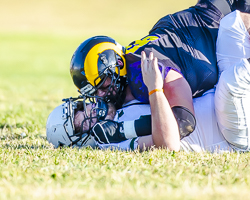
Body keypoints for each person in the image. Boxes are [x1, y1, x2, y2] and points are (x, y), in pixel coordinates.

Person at [70, 0, 250, 139]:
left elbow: (184, 122)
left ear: (117, 65)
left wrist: (123, 131)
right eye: (95, 91)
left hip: (210, 27)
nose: (101, 95)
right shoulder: (129, 73)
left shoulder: (143, 72)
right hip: (198, 20)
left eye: (102, 85)